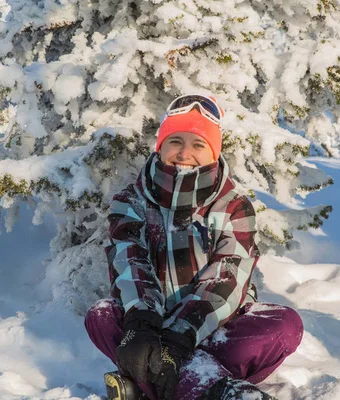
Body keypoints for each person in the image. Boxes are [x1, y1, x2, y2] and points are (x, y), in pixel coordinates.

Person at [85, 94, 303, 400]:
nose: (185, 152)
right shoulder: (130, 202)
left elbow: (227, 277)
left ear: (213, 153)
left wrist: (181, 338)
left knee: (285, 325)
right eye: (175, 141)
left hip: (216, 327)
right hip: (152, 326)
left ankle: (153, 384)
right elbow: (129, 263)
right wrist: (143, 324)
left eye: (199, 144)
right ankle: (217, 390)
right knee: (101, 316)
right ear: (160, 146)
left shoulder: (233, 206)